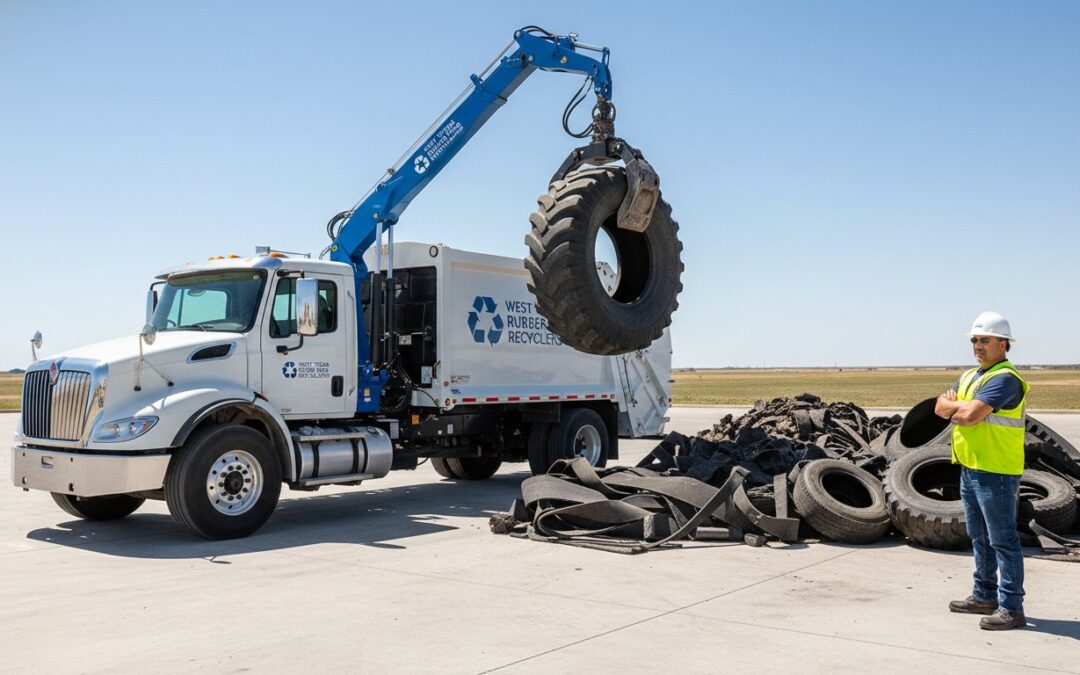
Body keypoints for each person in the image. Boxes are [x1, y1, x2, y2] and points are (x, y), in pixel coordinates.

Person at [934, 311, 1029, 631]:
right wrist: (956, 408)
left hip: (997, 471)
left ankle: (1012, 607)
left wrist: (956, 408)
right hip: (970, 467)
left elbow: (969, 416)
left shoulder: (1005, 379)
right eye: (975, 340)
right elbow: (938, 407)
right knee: (980, 538)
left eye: (985, 340)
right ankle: (984, 595)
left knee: (1002, 540)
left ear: (1003, 344)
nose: (978, 345)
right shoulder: (970, 377)